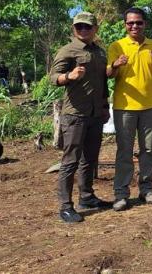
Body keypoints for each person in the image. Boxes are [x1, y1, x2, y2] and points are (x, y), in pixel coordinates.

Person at [50, 12, 111, 223]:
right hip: (75, 115)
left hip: (95, 115)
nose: (83, 30)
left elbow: (102, 81)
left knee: (90, 159)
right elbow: (52, 78)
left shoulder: (100, 53)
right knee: (70, 161)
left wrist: (104, 105)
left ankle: (87, 196)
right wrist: (69, 76)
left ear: (95, 29)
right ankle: (65, 206)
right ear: (74, 29)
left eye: (87, 27)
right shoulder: (68, 50)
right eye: (79, 27)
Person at [107, 7, 152, 211]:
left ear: (145, 24)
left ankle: (146, 189)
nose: (134, 26)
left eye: (138, 22)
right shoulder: (117, 46)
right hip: (124, 107)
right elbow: (108, 73)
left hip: (150, 106)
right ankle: (121, 193)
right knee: (124, 151)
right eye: (130, 23)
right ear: (125, 25)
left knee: (148, 150)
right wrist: (116, 64)